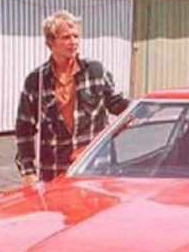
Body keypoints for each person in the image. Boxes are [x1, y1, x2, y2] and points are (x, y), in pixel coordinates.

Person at [15, 10, 130, 185]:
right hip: (54, 171)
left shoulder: (95, 71)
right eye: (66, 37)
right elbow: (24, 129)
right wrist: (28, 171)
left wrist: (144, 107)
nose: (73, 42)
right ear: (50, 42)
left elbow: (117, 105)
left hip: (95, 168)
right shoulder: (36, 80)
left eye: (76, 36)